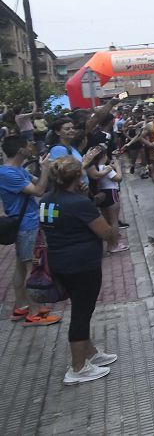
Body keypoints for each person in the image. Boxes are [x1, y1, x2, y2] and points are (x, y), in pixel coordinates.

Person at [40, 156, 120, 384]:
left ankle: (90, 352)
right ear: (77, 177)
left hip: (59, 262)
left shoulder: (46, 200)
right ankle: (77, 368)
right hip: (82, 265)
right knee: (81, 313)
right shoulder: (79, 204)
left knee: (80, 309)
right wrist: (111, 222)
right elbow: (106, 233)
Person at [1, 136, 61, 326]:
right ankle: (34, 313)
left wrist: (47, 169)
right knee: (32, 268)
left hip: (26, 224)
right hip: (26, 225)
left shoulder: (18, 170)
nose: (31, 148)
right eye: (28, 146)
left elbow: (41, 182)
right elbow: (38, 191)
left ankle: (22, 306)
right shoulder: (8, 174)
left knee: (20, 265)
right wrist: (43, 169)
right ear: (20, 150)